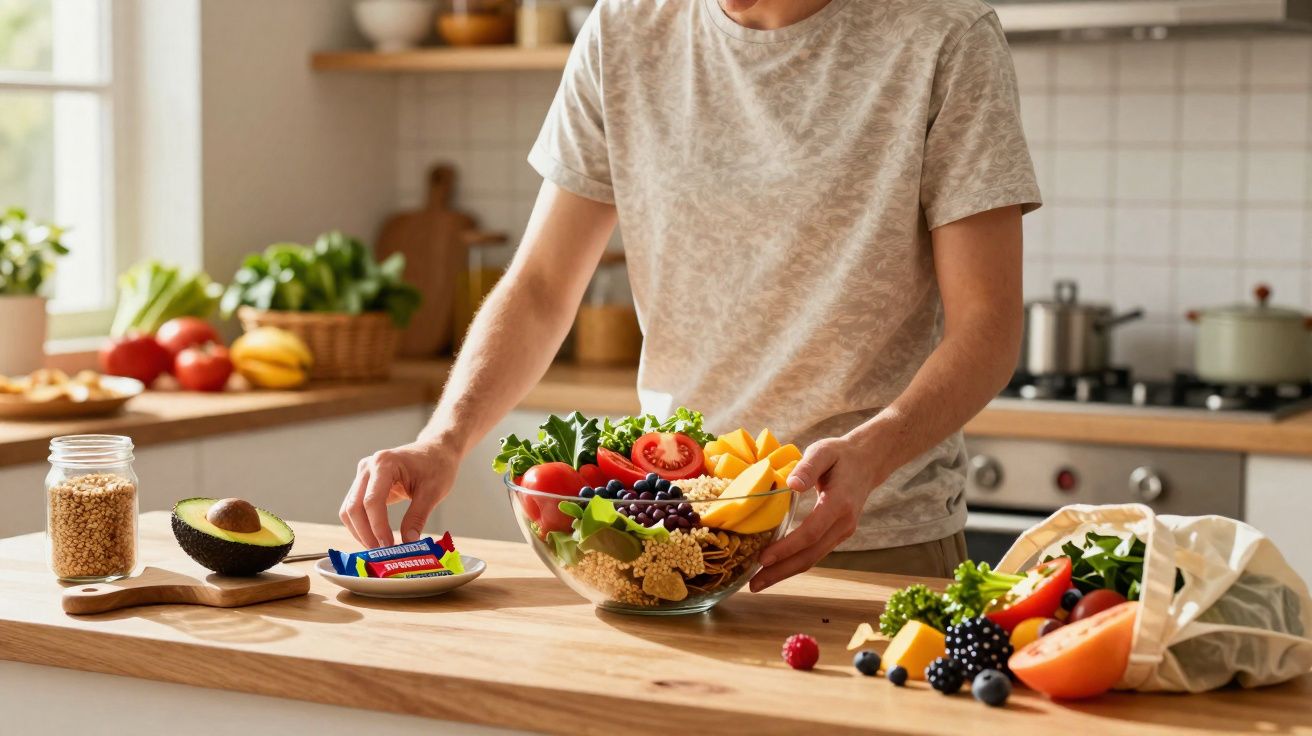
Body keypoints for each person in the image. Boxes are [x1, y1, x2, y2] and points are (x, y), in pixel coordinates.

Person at [340, 0, 1041, 588]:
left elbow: (987, 327)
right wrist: (445, 439)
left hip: (874, 539)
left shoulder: (944, 34)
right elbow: (542, 287)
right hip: (674, 543)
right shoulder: (624, 30)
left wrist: (873, 452)